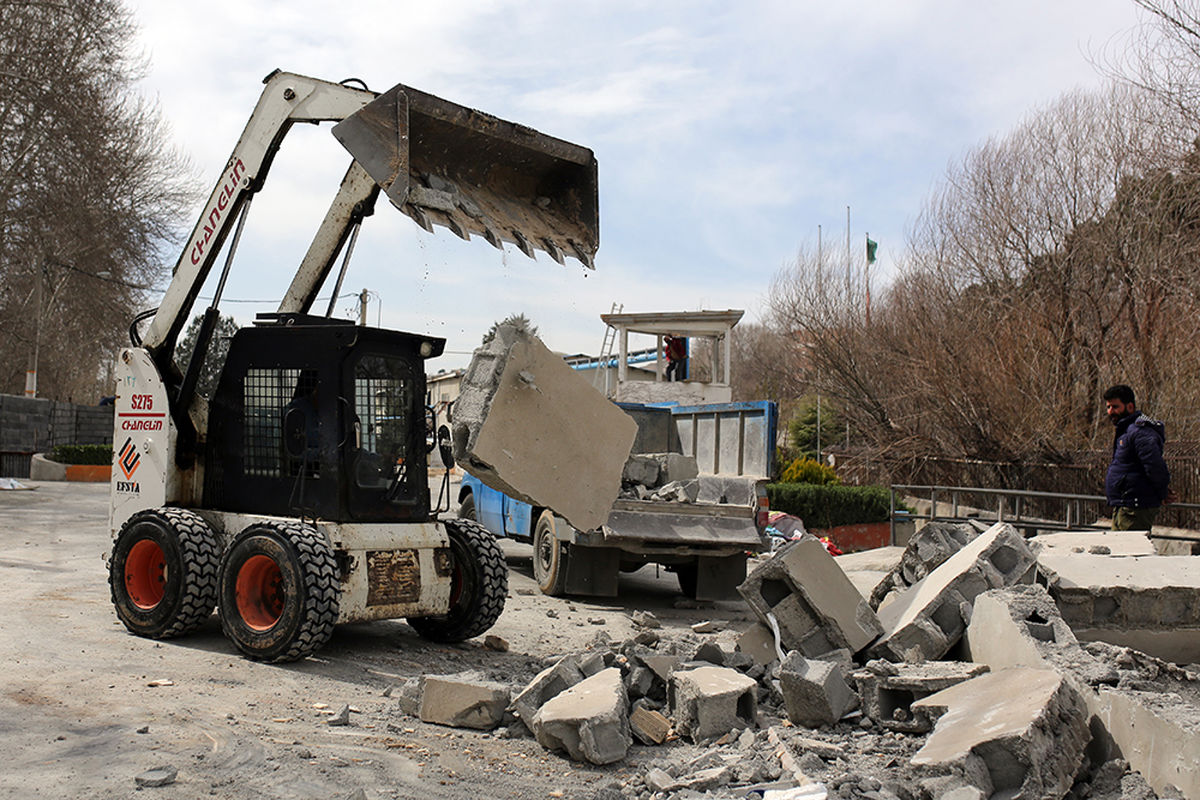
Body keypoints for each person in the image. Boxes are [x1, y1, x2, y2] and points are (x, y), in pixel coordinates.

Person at [1103, 384, 1174, 532]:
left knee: (1129, 552)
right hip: (1124, 505)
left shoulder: (1139, 432)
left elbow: (1154, 465)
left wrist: (1163, 492)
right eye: (1108, 407)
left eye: (1115, 407)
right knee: (1118, 551)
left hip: (1135, 507)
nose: (1111, 412)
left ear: (1129, 406)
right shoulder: (1126, 431)